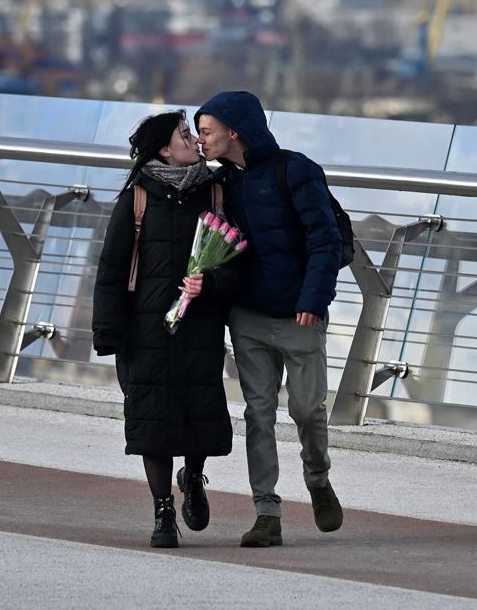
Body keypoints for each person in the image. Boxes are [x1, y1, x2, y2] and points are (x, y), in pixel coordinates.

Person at [194, 90, 344, 549]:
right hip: (248, 318)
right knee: (258, 414)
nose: (201, 140)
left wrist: (313, 299)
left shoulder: (295, 169)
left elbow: (326, 239)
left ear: (234, 131)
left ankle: (318, 478)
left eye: (207, 131)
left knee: (306, 411)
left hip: (300, 315)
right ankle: (267, 513)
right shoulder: (220, 183)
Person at [92, 110, 238, 549]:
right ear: (163, 148)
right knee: (151, 419)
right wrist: (108, 333)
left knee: (200, 413)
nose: (193, 139)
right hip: (147, 328)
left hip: (199, 325)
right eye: (183, 133)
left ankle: (192, 474)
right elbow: (112, 267)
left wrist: (210, 284)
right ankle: (162, 511)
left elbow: (238, 257)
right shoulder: (137, 196)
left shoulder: (216, 191)